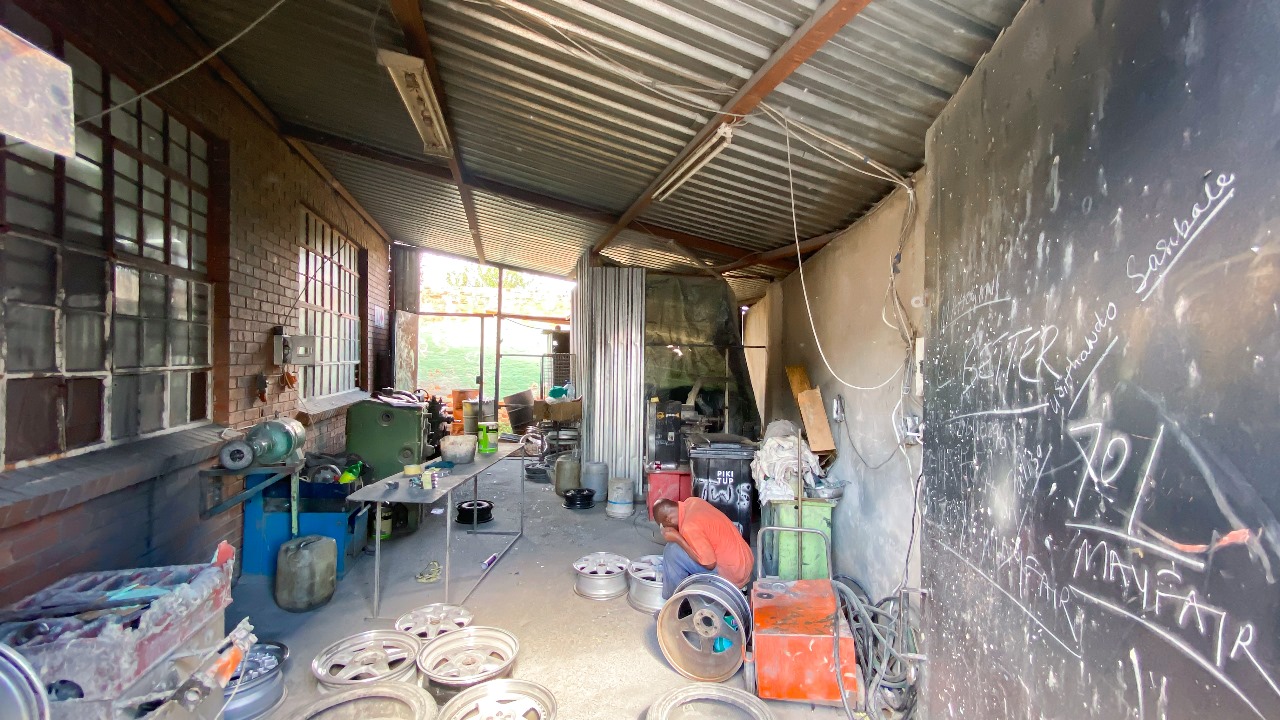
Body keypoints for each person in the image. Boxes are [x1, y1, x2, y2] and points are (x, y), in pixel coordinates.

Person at [652, 497, 753, 599]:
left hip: (733, 574)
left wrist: (679, 539)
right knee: (679, 550)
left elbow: (710, 564)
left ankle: (674, 602)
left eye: (664, 526)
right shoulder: (693, 501)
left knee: (672, 551)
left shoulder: (689, 526)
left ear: (668, 520)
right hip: (744, 563)